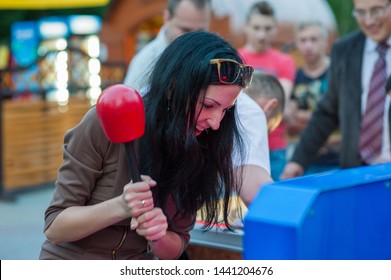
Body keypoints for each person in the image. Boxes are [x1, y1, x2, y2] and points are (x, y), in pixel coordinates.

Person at [39, 31, 254, 260]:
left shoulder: (202, 146)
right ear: (173, 88)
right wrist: (120, 207)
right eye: (209, 105)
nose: (216, 123)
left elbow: (177, 245)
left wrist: (158, 234)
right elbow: (55, 227)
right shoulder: (109, 121)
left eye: (226, 110)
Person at [124, 0, 273, 207]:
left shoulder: (245, 109)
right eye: (184, 29)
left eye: (200, 31)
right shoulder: (143, 63)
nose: (191, 39)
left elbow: (255, 186)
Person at [281, 0, 391, 179]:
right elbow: (327, 112)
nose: (369, 21)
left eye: (376, 11)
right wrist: (298, 161)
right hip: (356, 173)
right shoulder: (344, 51)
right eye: (361, 13)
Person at [238, 1, 296, 181]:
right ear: (246, 26)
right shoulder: (234, 58)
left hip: (275, 146)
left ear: (275, 29)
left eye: (267, 28)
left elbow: (280, 102)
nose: (261, 34)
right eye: (256, 27)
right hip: (241, 146)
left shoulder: (284, 61)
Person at [285, 20, 340, 175]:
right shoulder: (295, 77)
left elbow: (343, 116)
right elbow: (290, 123)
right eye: (303, 40)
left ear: (325, 41)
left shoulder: (338, 72)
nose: (308, 45)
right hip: (307, 162)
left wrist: (302, 117)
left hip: (340, 159)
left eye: (314, 39)